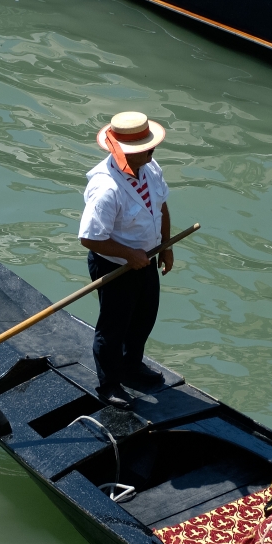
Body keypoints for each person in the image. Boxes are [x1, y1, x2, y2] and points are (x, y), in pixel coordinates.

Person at [78, 111, 173, 410]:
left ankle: (131, 366)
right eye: (146, 146)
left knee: (145, 316)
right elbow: (89, 237)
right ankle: (108, 384)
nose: (152, 149)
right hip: (113, 265)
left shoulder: (150, 167)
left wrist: (166, 247)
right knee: (113, 327)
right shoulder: (106, 188)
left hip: (144, 260)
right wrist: (128, 254)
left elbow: (161, 206)